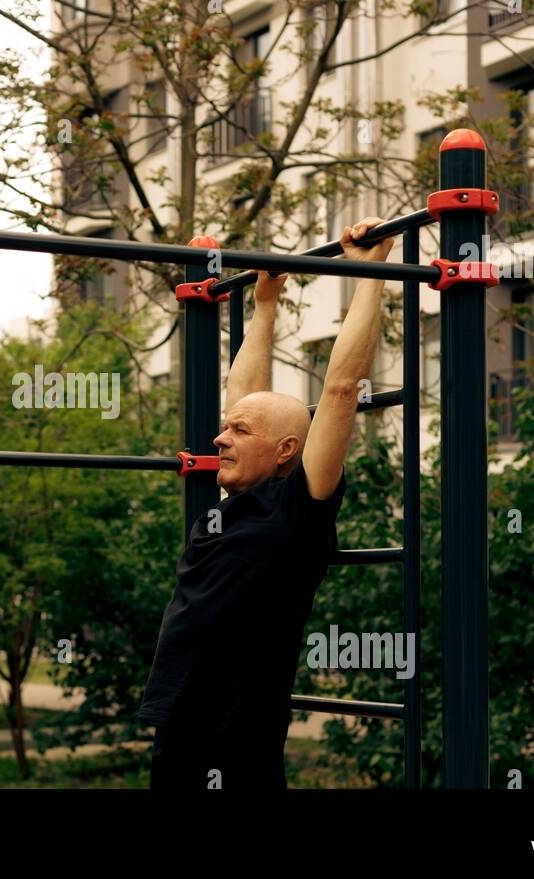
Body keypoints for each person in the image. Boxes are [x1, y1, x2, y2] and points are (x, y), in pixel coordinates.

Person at [140, 217, 397, 789]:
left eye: (238, 432)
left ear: (286, 450)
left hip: (235, 732)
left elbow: (338, 389)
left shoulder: (299, 507)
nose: (218, 437)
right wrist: (265, 304)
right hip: (176, 719)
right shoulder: (229, 502)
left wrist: (370, 272)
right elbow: (244, 395)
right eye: (225, 429)